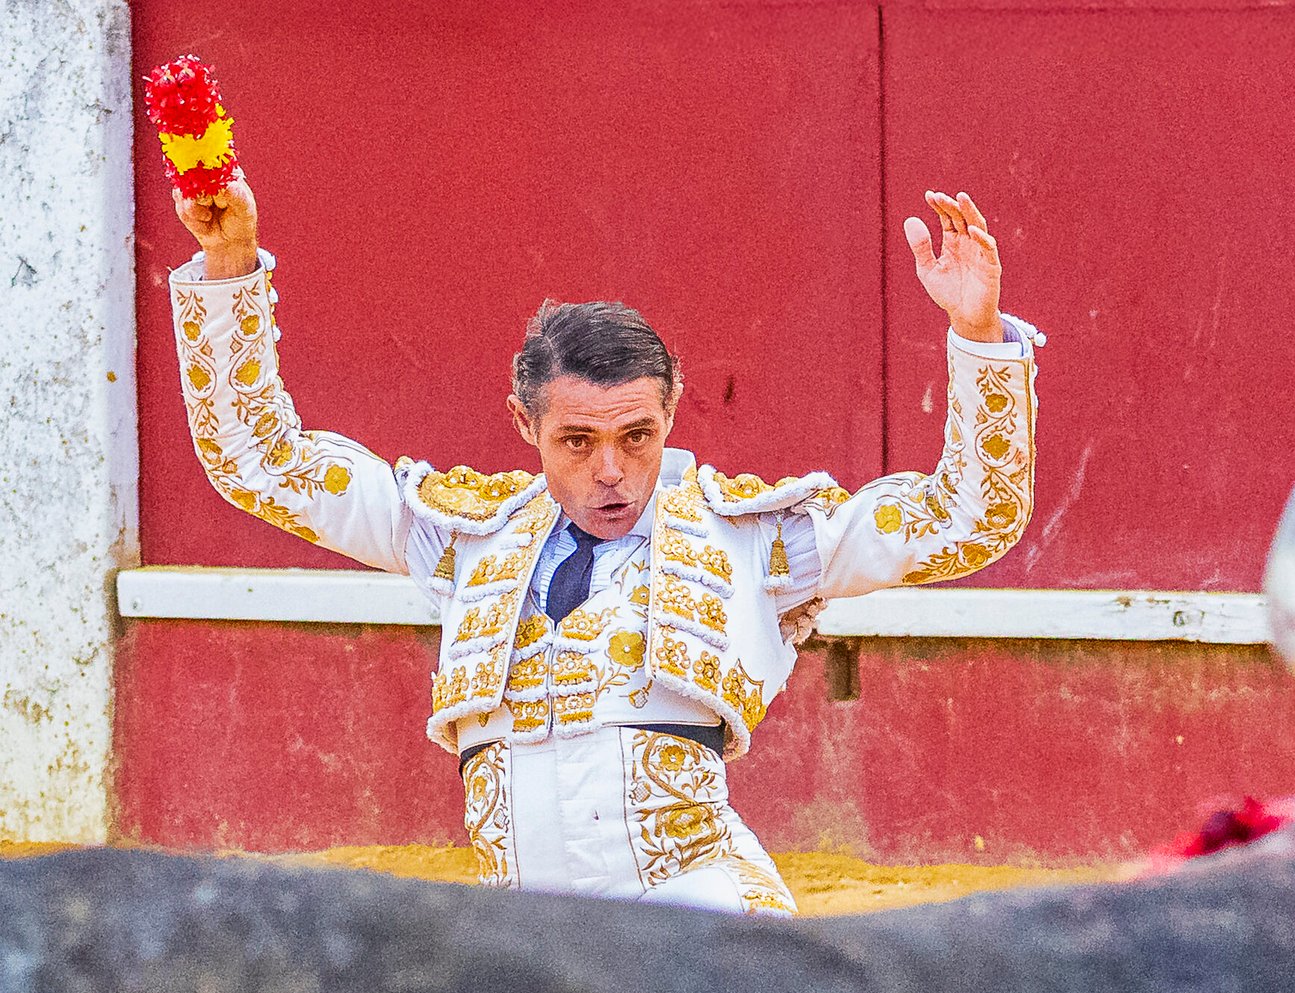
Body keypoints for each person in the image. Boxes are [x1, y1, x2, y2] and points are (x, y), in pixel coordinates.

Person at [168, 176, 1042, 916]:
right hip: (532, 947)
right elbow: (262, 463)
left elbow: (970, 517)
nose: (613, 473)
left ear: (672, 414)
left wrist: (976, 335)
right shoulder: (465, 537)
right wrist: (229, 264)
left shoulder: (751, 537)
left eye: (638, 436)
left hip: (703, 921)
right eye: (577, 442)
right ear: (526, 425)